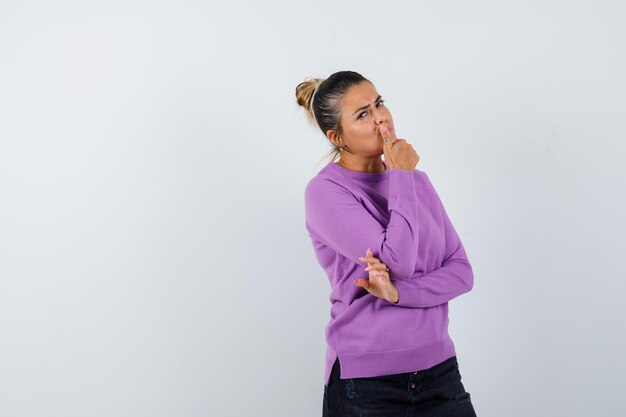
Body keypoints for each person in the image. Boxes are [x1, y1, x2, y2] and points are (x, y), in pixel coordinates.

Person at [295, 70, 478, 416]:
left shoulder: (415, 181)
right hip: (367, 384)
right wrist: (401, 177)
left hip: (440, 372)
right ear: (337, 136)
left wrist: (398, 293)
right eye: (363, 114)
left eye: (379, 103)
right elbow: (399, 262)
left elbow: (462, 273)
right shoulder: (326, 192)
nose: (381, 117)